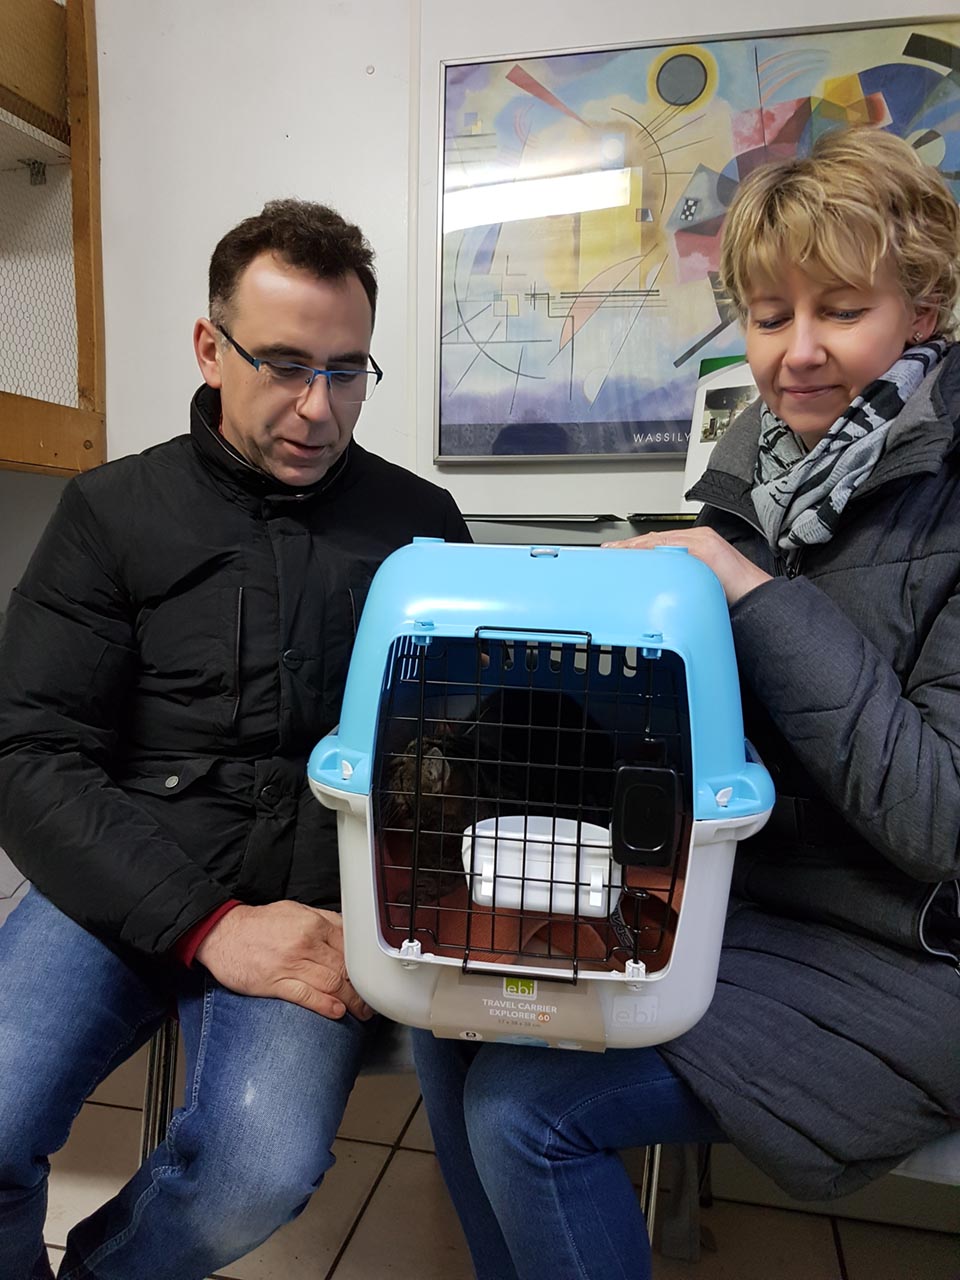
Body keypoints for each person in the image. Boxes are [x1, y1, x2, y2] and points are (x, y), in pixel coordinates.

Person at [412, 125, 960, 1279]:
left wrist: (749, 590)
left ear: (921, 306)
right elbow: (696, 725)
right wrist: (530, 697)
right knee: (443, 1008)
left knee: (524, 1110)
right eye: (767, 315)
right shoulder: (756, 466)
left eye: (840, 309)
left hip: (906, 950)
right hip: (739, 896)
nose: (796, 353)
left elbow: (936, 821)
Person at [0, 198, 469, 1280]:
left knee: (256, 1170)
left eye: (346, 371)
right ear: (211, 349)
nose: (318, 407)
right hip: (123, 871)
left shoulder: (422, 527)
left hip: (316, 903)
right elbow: (27, 755)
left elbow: (459, 759)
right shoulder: (110, 512)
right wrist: (209, 924)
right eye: (286, 365)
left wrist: (391, 916)